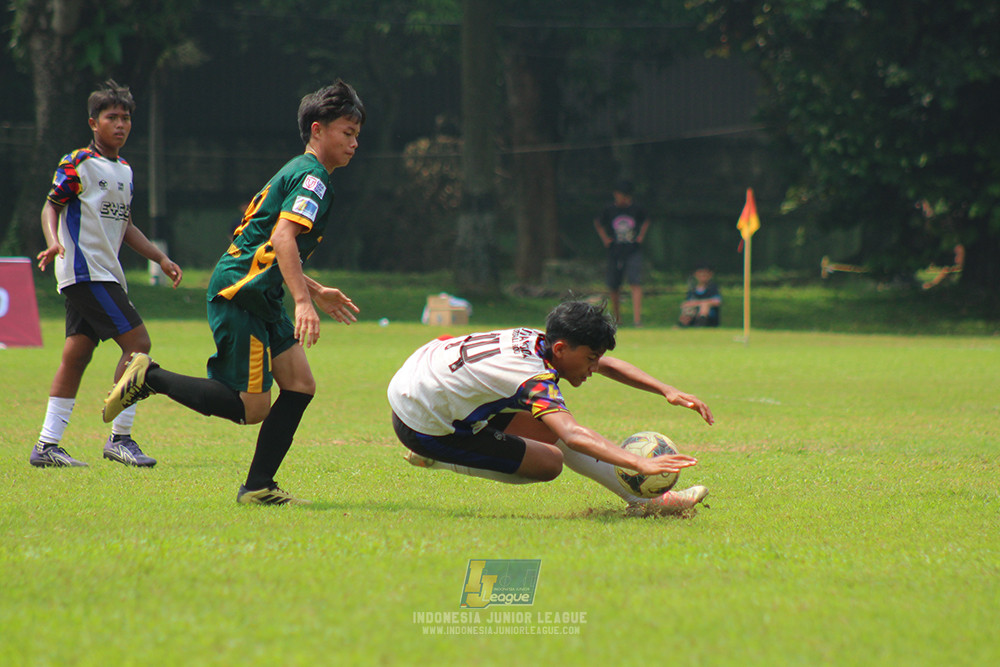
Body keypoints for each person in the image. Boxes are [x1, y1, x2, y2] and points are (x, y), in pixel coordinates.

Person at [101, 81, 366, 505]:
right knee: (253, 408)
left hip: (260, 291)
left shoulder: (302, 171)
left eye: (356, 135)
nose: (355, 143)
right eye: (347, 133)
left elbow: (270, 246)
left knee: (299, 384)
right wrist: (302, 301)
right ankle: (148, 376)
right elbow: (282, 239)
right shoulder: (312, 178)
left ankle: (258, 486)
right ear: (318, 130)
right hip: (240, 292)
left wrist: (313, 291)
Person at [387, 300, 715, 516]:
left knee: (544, 427)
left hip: (421, 383)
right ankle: (435, 457)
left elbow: (608, 365)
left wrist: (666, 389)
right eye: (590, 359)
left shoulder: (539, 340)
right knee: (549, 463)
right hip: (422, 423)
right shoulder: (533, 378)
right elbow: (572, 435)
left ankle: (644, 502)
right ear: (561, 348)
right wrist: (637, 462)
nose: (593, 367)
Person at [31, 80, 183, 469]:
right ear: (93, 123)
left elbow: (126, 225)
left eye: (125, 117)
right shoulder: (78, 163)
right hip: (84, 271)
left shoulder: (125, 171)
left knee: (76, 354)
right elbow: (51, 207)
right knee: (139, 344)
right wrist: (52, 241)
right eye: (111, 117)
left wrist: (160, 259)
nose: (120, 124)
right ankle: (120, 438)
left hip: (105, 273)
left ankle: (46, 446)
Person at [593, 179, 650, 327]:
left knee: (635, 282)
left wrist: (641, 236)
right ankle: (617, 319)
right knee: (614, 285)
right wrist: (605, 239)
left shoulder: (637, 209)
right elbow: (598, 222)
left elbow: (646, 220)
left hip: (632, 251)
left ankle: (637, 320)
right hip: (615, 251)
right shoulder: (609, 209)